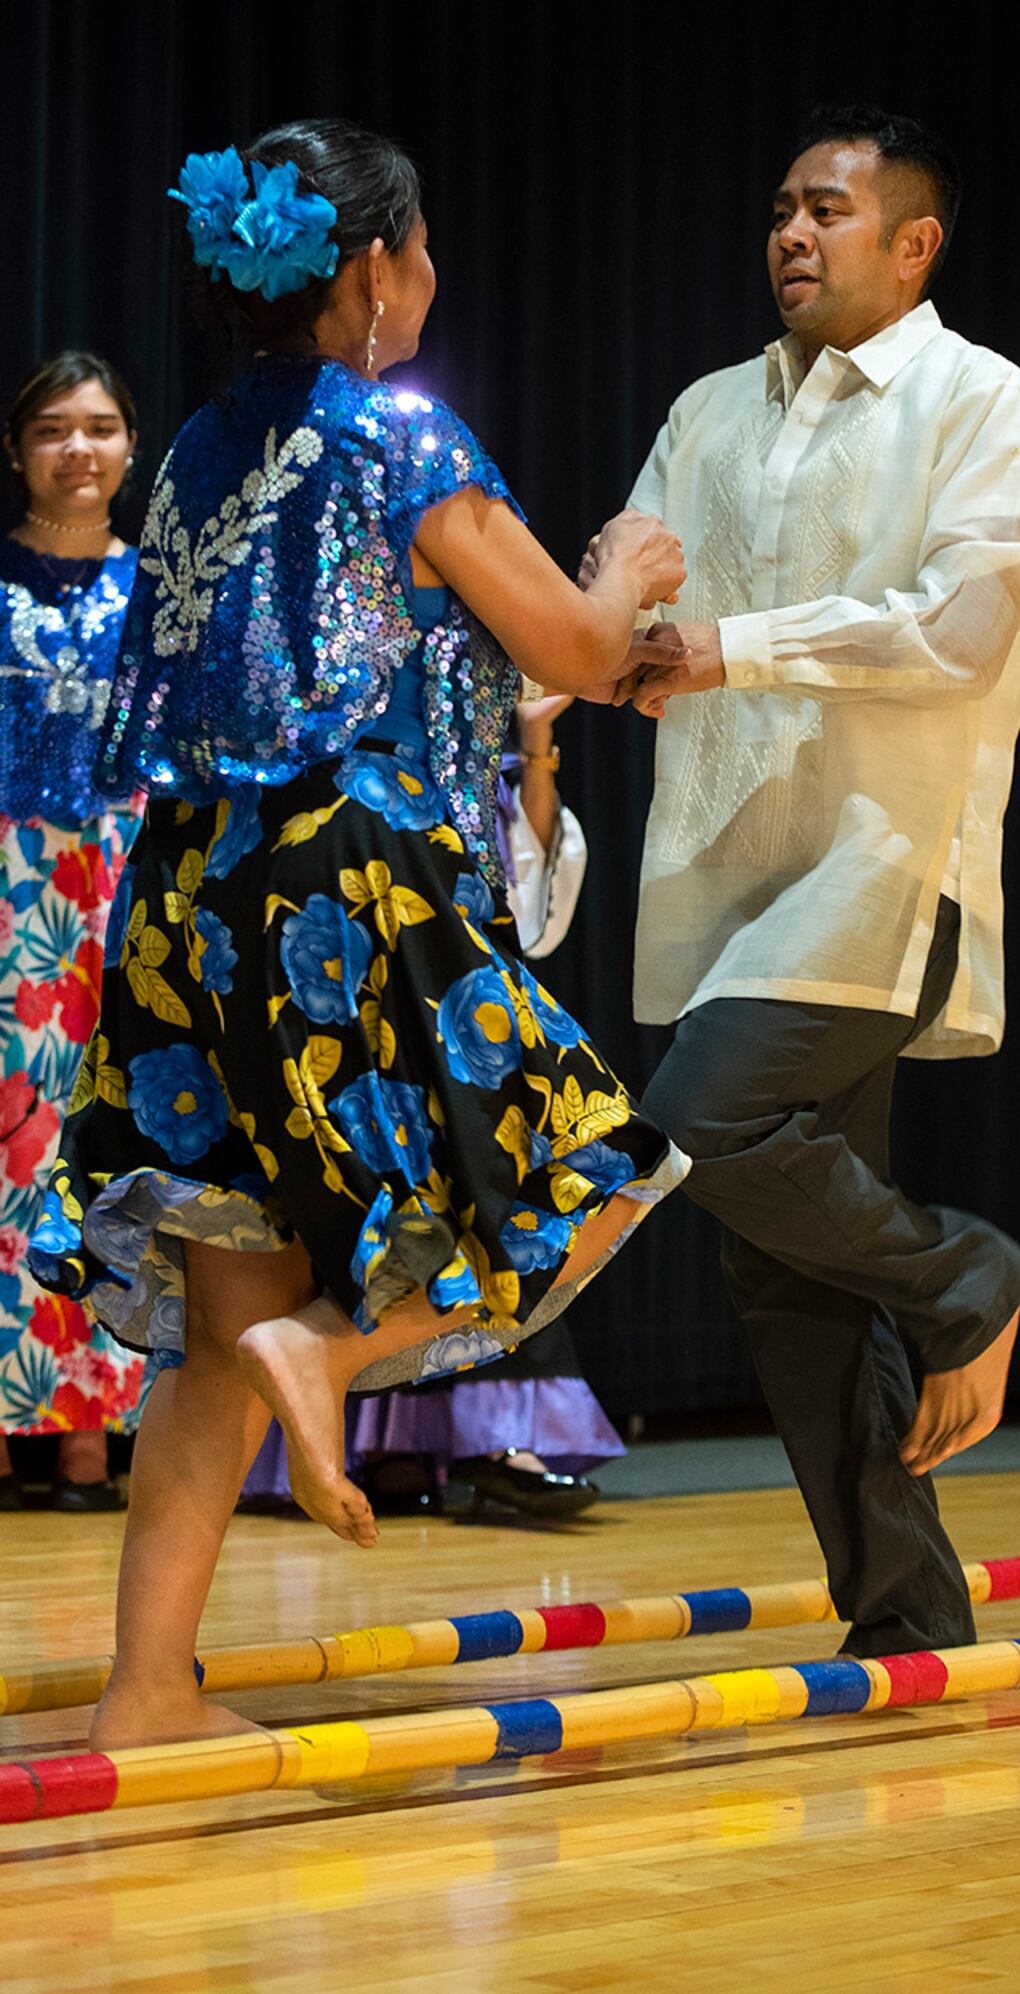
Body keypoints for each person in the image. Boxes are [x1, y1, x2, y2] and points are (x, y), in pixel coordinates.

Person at [27, 118, 687, 1748]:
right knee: (572, 1164)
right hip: (339, 892)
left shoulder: (191, 449)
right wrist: (626, 567)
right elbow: (581, 647)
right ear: (379, 274)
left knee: (218, 1299)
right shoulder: (395, 434)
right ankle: (332, 1355)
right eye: (425, 248)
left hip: (187, 899)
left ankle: (144, 1688)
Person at [613, 106, 1020, 1656]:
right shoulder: (708, 407)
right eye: (781, 210)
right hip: (732, 864)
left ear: (913, 242)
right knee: (789, 1271)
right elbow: (635, 581)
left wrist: (724, 648)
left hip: (884, 867)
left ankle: (969, 1268)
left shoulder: (989, 404)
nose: (791, 236)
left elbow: (953, 628)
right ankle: (905, 1607)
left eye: (826, 210)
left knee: (694, 1118)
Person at [240, 692, 623, 1518]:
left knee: (515, 1183)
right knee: (411, 1193)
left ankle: (472, 1432)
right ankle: (367, 1422)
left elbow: (536, 905)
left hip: (431, 949)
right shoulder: (367, 704)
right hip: (366, 934)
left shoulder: (467, 727)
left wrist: (537, 743)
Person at [0, 352, 147, 1509]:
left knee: (89, 1144)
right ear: (18, 451)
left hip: (121, 880)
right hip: (8, 883)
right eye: (53, 429)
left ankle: (92, 1424)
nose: (78, 449)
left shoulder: (156, 589)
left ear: (131, 448)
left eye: (100, 427)